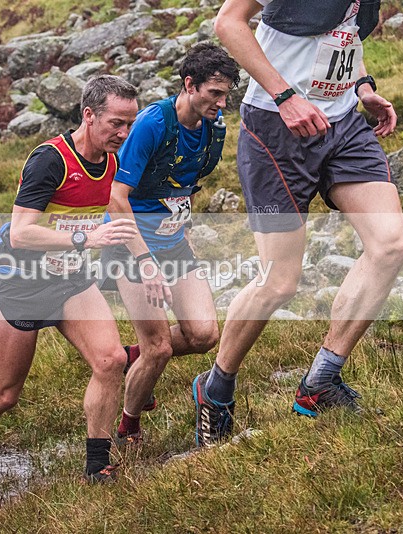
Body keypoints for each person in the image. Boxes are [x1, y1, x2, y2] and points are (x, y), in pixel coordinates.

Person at [191, 0, 403, 446]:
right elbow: (228, 22)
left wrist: (363, 86)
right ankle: (215, 388)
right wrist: (285, 95)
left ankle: (319, 383)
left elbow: (344, 36)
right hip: (277, 127)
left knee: (392, 244)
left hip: (343, 124)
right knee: (278, 282)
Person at [0, 75, 139, 501]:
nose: (123, 133)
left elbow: (108, 205)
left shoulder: (109, 159)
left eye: (130, 123)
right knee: (4, 394)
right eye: (115, 123)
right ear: (88, 115)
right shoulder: (50, 160)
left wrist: (141, 256)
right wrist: (84, 239)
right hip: (21, 283)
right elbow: (21, 232)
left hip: (69, 279)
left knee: (109, 360)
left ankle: (97, 464)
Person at [103, 43, 240, 445]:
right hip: (132, 245)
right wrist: (145, 261)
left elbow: (183, 187)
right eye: (214, 92)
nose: (222, 101)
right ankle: (128, 426)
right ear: (189, 85)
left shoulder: (215, 130)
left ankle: (132, 357)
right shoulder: (151, 124)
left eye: (227, 93)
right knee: (160, 349)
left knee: (203, 335)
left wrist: (183, 234)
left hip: (174, 243)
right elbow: (116, 196)